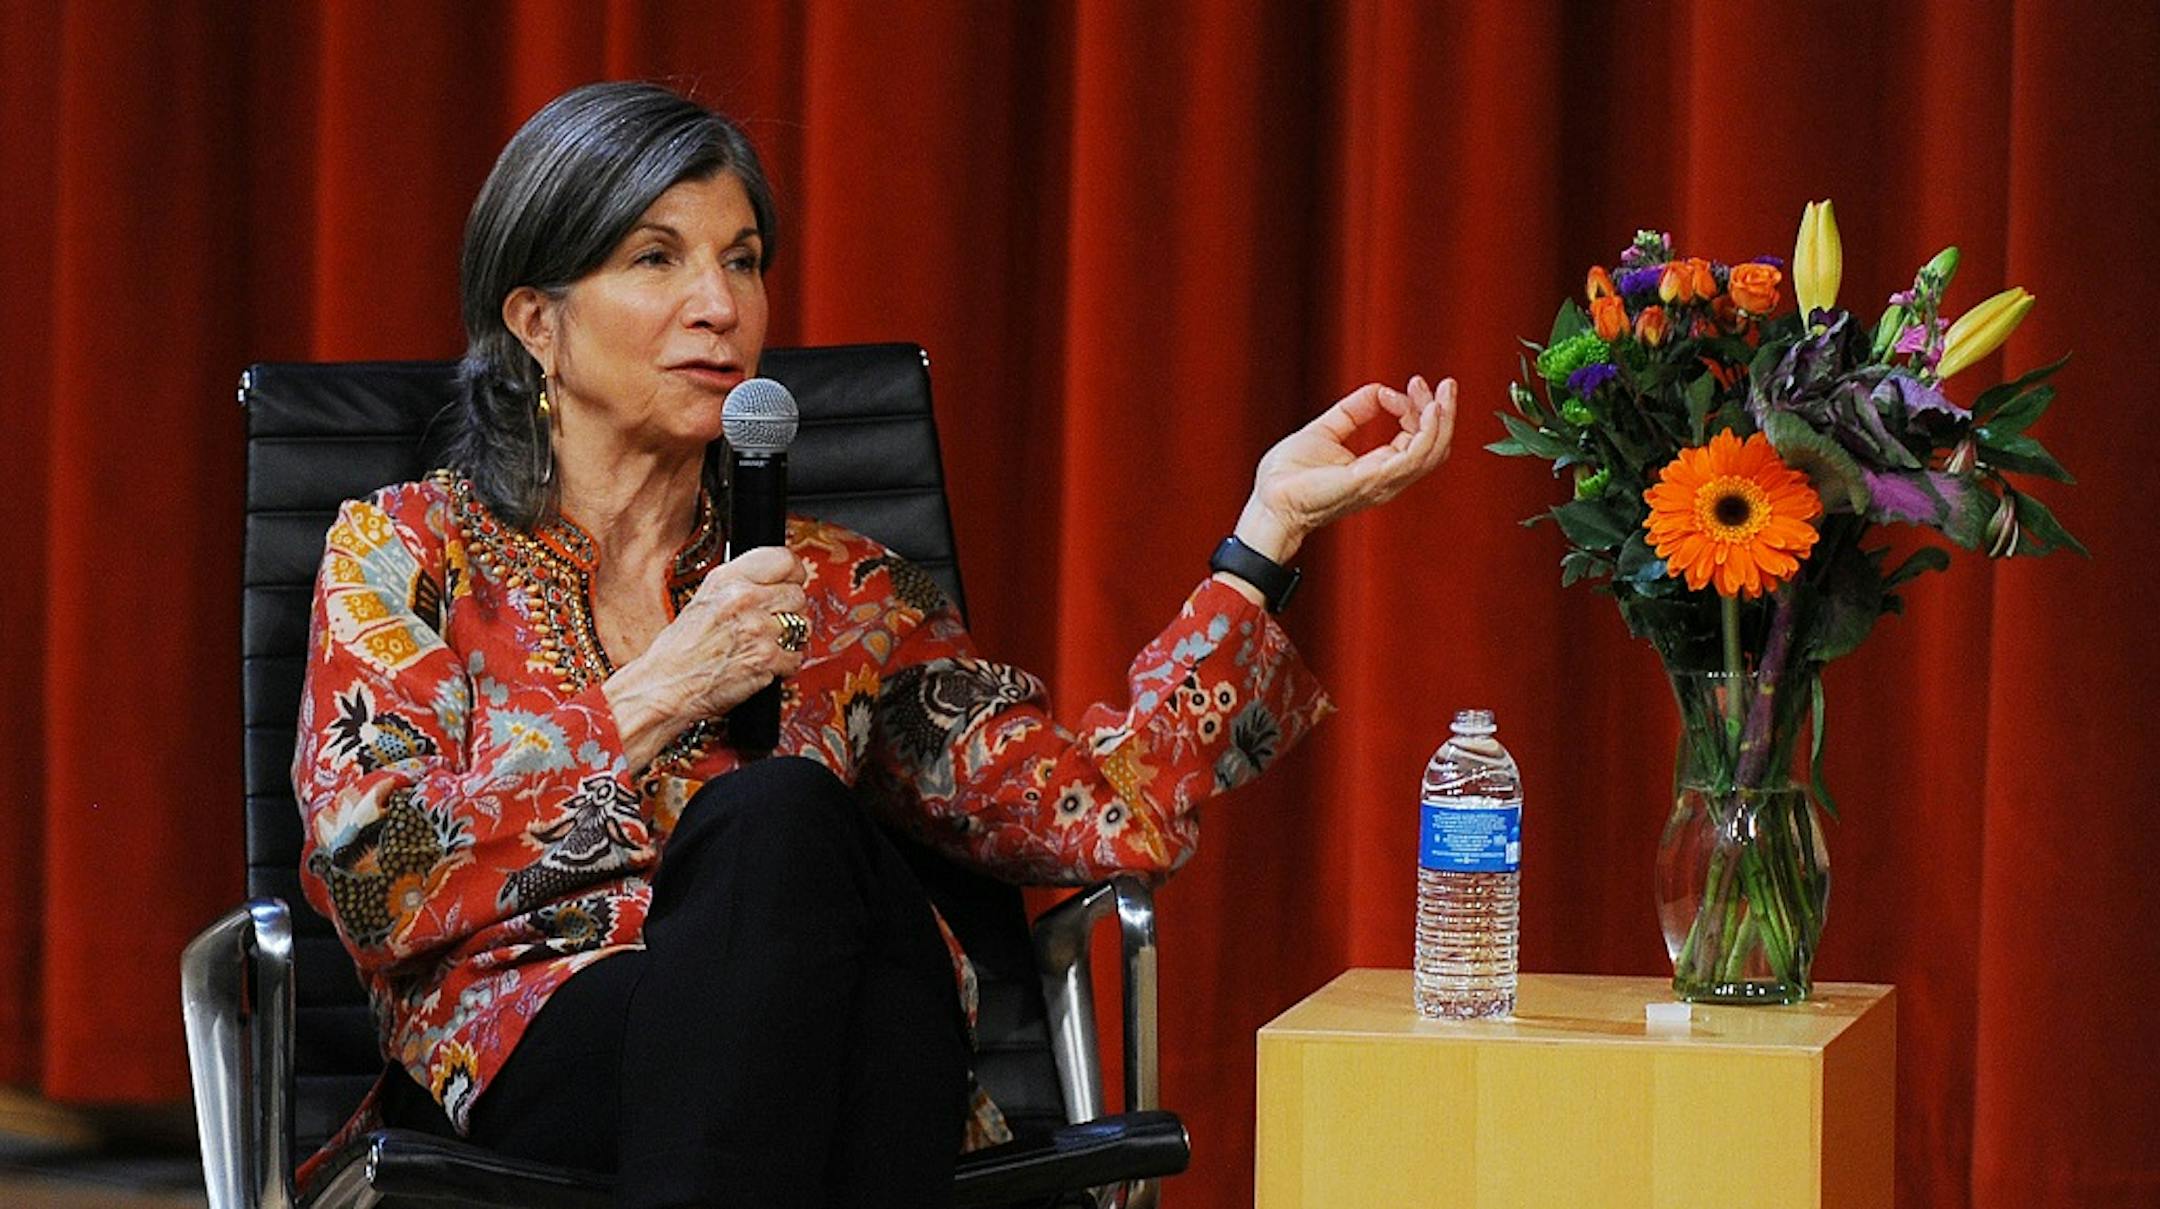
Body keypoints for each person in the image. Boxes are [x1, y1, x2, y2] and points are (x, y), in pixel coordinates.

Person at [293, 80, 1455, 1209]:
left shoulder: (840, 587)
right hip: (543, 1043)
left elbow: (1103, 809)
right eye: (658, 258)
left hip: (841, 1040)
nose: (720, 304)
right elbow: (373, 874)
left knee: (788, 824)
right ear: (536, 320)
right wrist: (658, 692)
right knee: (778, 832)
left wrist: (1268, 534)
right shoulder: (408, 551)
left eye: (742, 259)